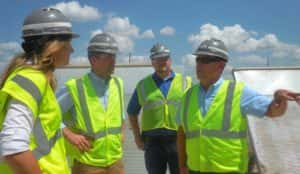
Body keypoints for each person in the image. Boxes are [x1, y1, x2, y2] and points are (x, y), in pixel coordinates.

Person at [177, 38, 300, 174]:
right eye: (198, 59)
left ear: (221, 65)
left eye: (205, 60)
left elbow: (272, 111)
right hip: (195, 170)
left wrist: (279, 100)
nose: (199, 64)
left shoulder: (238, 92)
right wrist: (182, 165)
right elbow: (182, 133)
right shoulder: (187, 96)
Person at [0, 7, 78, 174]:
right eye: (68, 43)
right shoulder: (31, 80)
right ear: (54, 46)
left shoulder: (36, 79)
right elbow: (14, 149)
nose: (72, 50)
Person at [57, 33, 125, 174]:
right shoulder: (75, 87)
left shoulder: (118, 83)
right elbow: (47, 115)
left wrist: (121, 134)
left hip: (115, 162)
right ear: (93, 59)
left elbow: (120, 115)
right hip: (87, 164)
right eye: (109, 57)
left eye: (114, 56)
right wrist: (70, 135)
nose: (114, 61)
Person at [127, 43, 192, 174]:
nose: (162, 62)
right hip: (152, 142)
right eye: (157, 59)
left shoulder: (187, 82)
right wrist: (137, 138)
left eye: (165, 58)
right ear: (152, 62)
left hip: (178, 139)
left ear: (170, 60)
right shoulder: (143, 85)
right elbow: (132, 112)